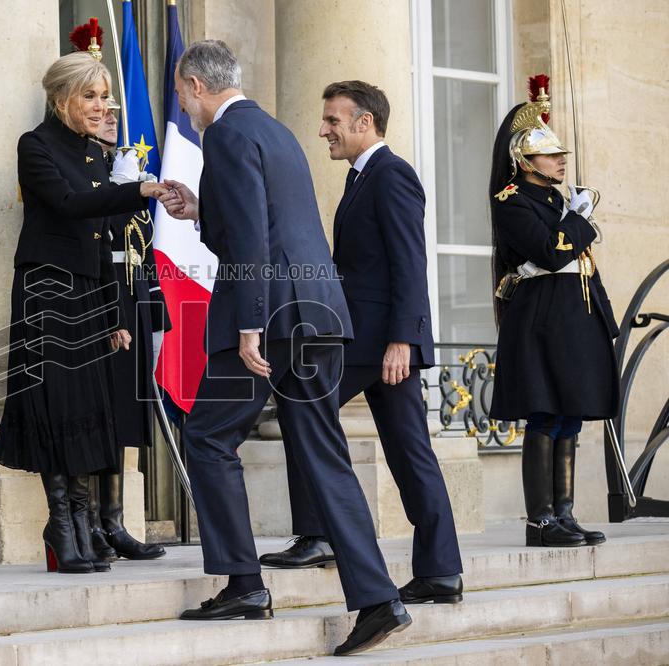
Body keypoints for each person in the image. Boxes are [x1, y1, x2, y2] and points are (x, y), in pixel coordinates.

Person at [158, 40, 411, 657]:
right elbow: (266, 221)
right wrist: (198, 210)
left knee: (208, 436)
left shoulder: (222, 134)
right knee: (323, 454)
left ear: (193, 84)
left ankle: (244, 584)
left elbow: (250, 237)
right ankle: (380, 600)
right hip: (317, 311)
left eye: (181, 92)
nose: (183, 104)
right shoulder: (273, 131)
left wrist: (247, 326)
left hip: (271, 316)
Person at [259, 80, 464, 606]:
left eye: (332, 120)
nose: (323, 129)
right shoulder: (361, 178)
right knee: (409, 449)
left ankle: (318, 534)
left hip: (376, 343)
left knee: (300, 400)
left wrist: (402, 340)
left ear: (363, 122)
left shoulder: (391, 175)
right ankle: (441, 572)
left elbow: (409, 263)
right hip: (368, 339)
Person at [0, 52, 164, 574]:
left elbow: (104, 237)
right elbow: (67, 204)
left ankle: (83, 525)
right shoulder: (35, 145)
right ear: (61, 98)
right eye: (90, 96)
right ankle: (60, 525)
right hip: (47, 289)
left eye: (104, 96)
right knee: (56, 405)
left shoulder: (94, 154)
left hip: (91, 292)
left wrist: (117, 315)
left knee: (88, 407)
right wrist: (139, 189)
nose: (100, 105)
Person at [488, 75, 618, 548]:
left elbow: (583, 266)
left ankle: (564, 513)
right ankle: (539, 519)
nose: (562, 161)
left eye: (561, 154)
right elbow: (551, 252)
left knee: (570, 415)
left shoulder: (557, 200)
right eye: (551, 155)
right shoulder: (513, 202)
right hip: (542, 320)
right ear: (526, 161)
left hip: (572, 319)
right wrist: (581, 220)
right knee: (544, 415)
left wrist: (605, 316)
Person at [86, 100, 167, 561]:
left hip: (131, 297)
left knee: (120, 415)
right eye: (100, 108)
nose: (112, 116)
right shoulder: (90, 172)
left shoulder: (124, 167)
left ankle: (113, 521)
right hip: (97, 298)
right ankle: (90, 522)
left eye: (116, 109)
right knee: (95, 414)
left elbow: (143, 246)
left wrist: (154, 311)